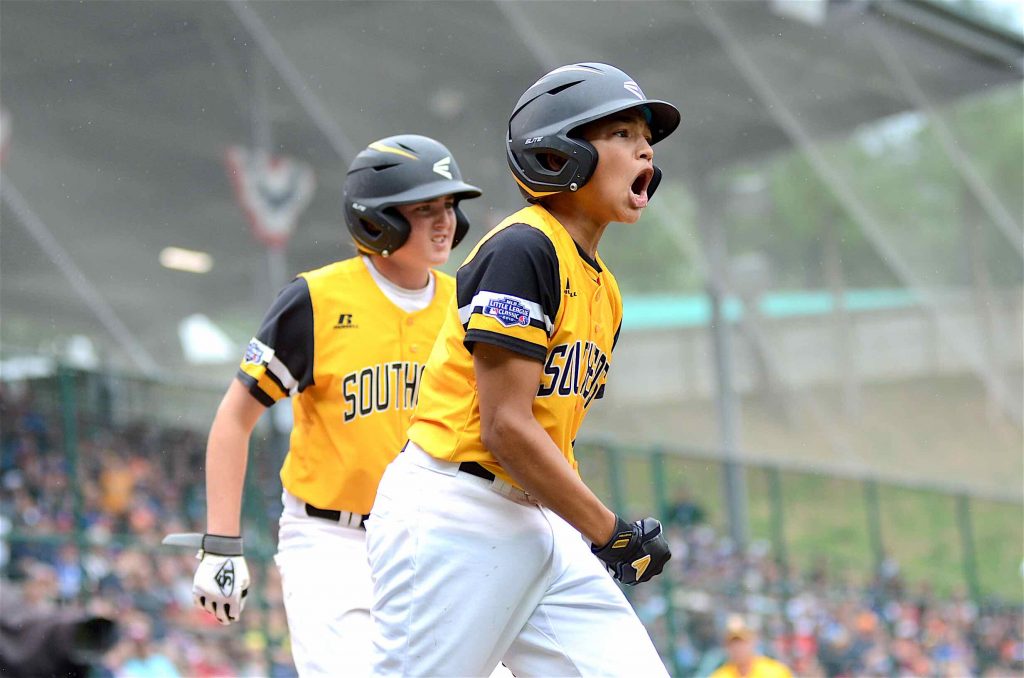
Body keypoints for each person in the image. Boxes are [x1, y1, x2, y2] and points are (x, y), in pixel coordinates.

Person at [366, 62, 680, 676]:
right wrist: (608, 531)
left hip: (535, 519)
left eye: (645, 137)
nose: (644, 147)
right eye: (619, 133)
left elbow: (546, 429)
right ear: (558, 156)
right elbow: (505, 428)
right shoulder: (523, 248)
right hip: (454, 512)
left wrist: (588, 526)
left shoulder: (603, 289)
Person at [164, 134, 481, 676]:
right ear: (376, 219)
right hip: (332, 542)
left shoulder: (466, 302)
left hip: (434, 538)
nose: (444, 221)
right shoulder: (315, 301)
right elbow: (235, 420)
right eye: (424, 208)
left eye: (449, 206)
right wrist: (221, 543)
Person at [709, 615, 793, 678]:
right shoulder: (720, 675)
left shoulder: (775, 672)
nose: (737, 648)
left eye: (742, 642)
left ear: (753, 641)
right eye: (733, 643)